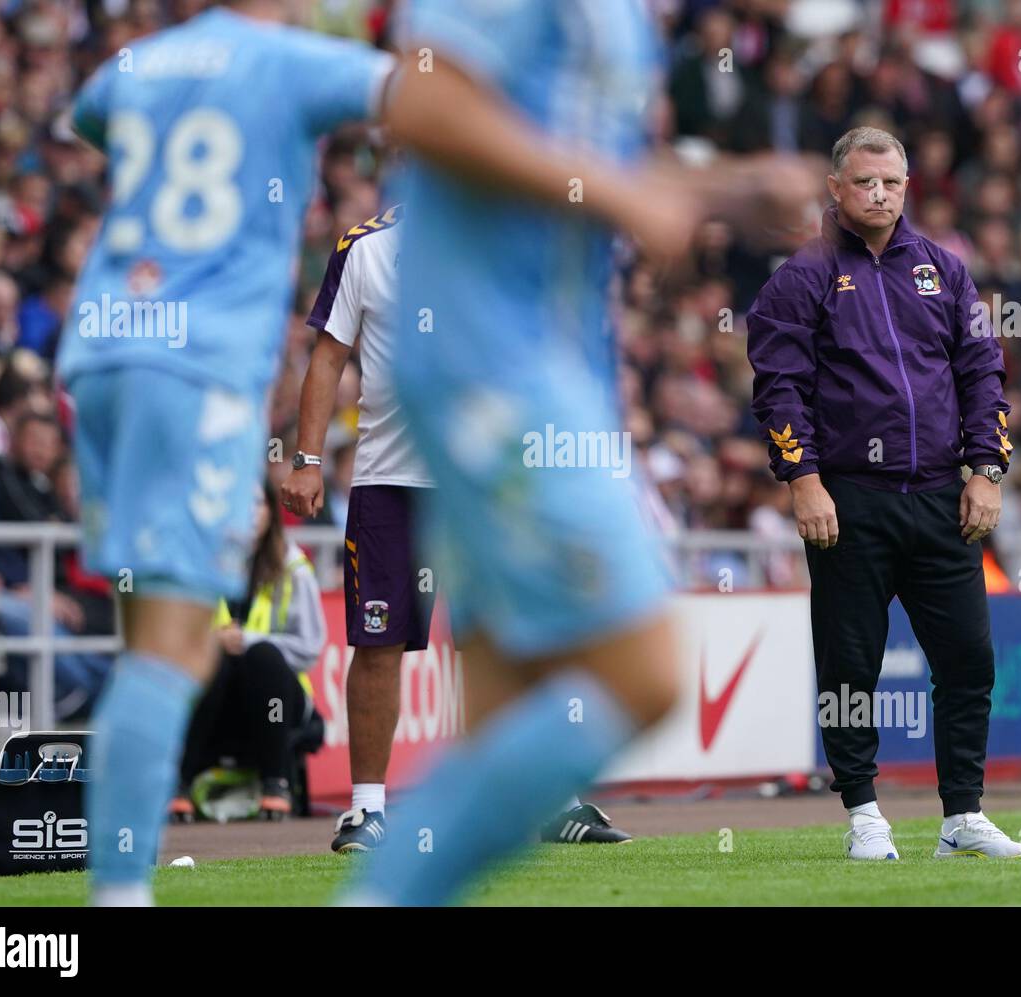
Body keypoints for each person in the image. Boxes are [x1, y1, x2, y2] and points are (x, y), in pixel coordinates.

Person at [333, 0, 814, 905]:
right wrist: (627, 194)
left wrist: (726, 189)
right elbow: (423, 105)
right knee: (641, 676)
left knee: (503, 719)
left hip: (546, 367)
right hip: (490, 365)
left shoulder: (625, 19)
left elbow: (579, 160)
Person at [53, 0, 393, 906]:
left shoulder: (139, 61)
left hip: (100, 349)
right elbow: (414, 98)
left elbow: (85, 119)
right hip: (192, 366)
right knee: (173, 649)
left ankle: (120, 878)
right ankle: (118, 894)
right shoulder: (287, 60)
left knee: (156, 645)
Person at [281, 204, 632, 850]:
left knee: (518, 637)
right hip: (393, 478)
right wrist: (305, 460)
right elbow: (328, 355)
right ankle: (365, 808)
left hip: (486, 480)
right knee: (380, 641)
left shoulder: (503, 233)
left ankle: (547, 798)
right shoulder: (365, 247)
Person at [747, 126, 1021, 860]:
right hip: (849, 498)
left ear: (908, 187)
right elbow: (778, 389)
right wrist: (803, 480)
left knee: (969, 659)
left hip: (944, 496)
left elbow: (983, 373)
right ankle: (863, 813)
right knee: (850, 664)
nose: (880, 193)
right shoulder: (801, 277)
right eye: (866, 181)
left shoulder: (945, 268)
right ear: (836, 188)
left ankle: (962, 816)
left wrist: (986, 470)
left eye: (893, 182)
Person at [172, 480, 326, 820]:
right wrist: (215, 642)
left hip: (279, 697)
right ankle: (179, 786)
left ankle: (276, 784)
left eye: (257, 503)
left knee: (262, 657)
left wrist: (248, 640)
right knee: (217, 661)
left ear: (271, 511)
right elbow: (175, 637)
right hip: (216, 694)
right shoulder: (200, 562)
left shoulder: (294, 568)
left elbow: (310, 647)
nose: (249, 512)